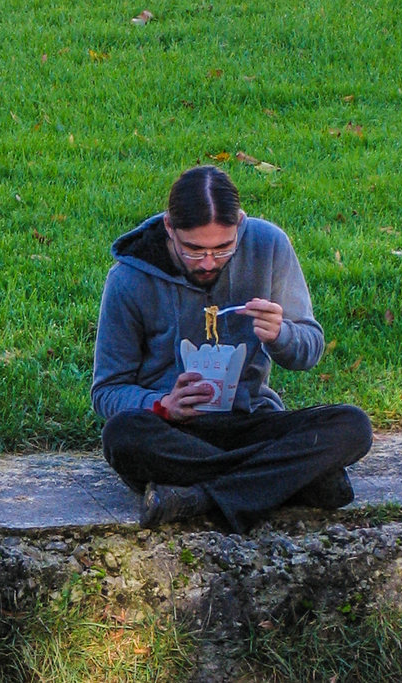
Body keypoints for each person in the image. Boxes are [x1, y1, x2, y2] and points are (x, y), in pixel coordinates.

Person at [91, 165, 372, 533]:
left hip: (252, 418)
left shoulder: (268, 245)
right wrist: (163, 405)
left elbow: (309, 350)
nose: (208, 262)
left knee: (353, 426)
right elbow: (107, 391)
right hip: (179, 436)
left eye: (223, 248)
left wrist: (281, 334)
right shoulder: (129, 278)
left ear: (239, 223)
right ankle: (291, 480)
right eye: (194, 250)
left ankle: (201, 497)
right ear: (169, 228)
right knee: (122, 435)